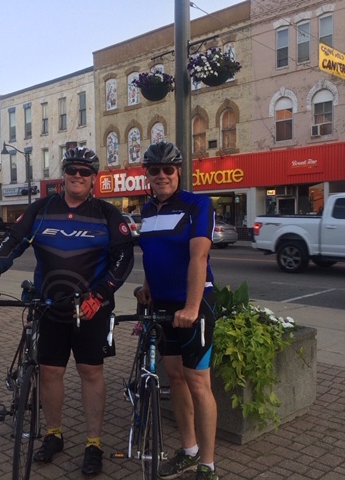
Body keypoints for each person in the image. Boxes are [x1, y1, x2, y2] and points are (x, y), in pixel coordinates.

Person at [0, 147, 134, 477]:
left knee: (91, 373)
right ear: (63, 174)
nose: (78, 175)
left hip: (91, 309)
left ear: (94, 179)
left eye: (85, 171)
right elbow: (13, 242)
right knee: (51, 373)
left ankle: (94, 443)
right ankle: (54, 435)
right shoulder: (42, 209)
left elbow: (123, 260)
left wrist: (102, 293)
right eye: (72, 169)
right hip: (49, 307)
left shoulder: (107, 214)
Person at [135, 141, 219, 480]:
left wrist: (192, 306)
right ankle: (188, 450)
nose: (161, 176)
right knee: (174, 377)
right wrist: (147, 288)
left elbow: (199, 256)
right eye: (154, 170)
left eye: (167, 169)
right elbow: (154, 257)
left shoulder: (198, 204)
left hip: (194, 304)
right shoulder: (147, 211)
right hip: (163, 306)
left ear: (179, 171)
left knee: (199, 383)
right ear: (148, 174)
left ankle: (208, 464)